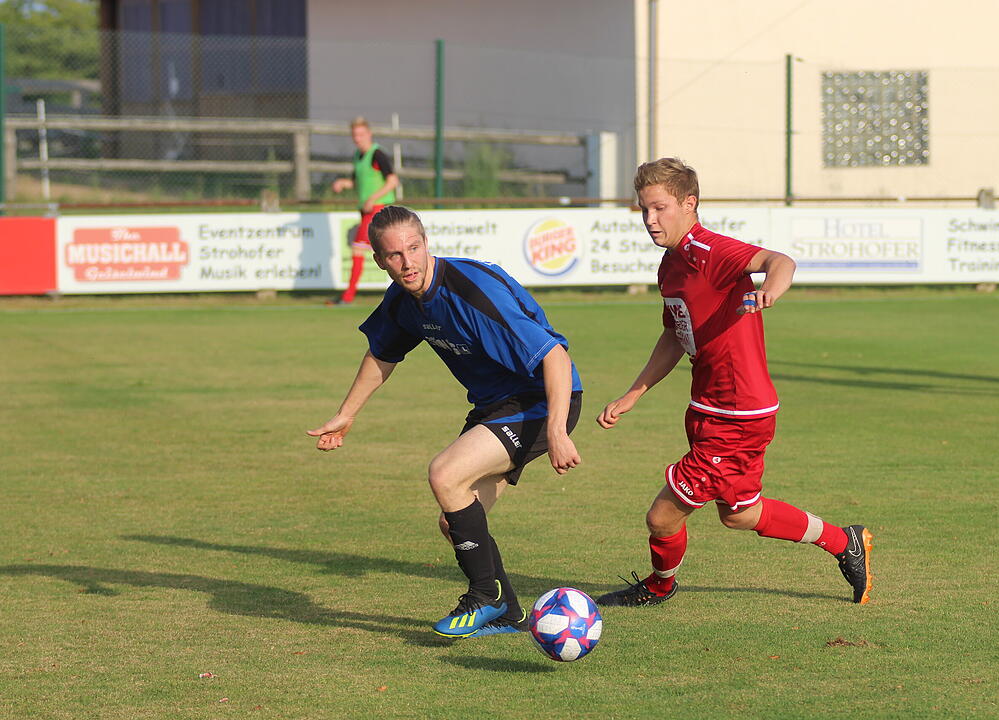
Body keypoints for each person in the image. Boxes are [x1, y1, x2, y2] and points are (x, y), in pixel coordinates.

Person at [594, 158, 873, 608]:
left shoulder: (711, 251)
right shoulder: (671, 266)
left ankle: (660, 587)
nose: (650, 220)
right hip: (709, 407)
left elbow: (779, 261)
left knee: (662, 516)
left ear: (690, 204)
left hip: (738, 414)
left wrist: (771, 290)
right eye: (644, 210)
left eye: (660, 208)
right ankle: (845, 541)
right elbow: (674, 334)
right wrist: (634, 393)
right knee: (741, 514)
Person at [307, 205, 583, 637]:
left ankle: (483, 596)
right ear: (379, 260)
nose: (407, 262)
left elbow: (556, 356)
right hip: (497, 406)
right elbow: (383, 354)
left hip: (543, 400)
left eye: (413, 249)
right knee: (454, 521)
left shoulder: (471, 290)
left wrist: (556, 430)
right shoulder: (404, 298)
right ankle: (509, 613)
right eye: (394, 255)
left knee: (445, 474)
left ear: (426, 242)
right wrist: (346, 415)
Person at [329, 116, 400, 305]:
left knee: (358, 248)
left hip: (378, 209)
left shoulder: (377, 154)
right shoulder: (358, 156)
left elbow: (393, 181)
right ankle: (404, 291)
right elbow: (357, 181)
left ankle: (347, 296)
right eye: (354, 134)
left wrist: (373, 198)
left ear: (369, 134)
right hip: (366, 210)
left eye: (361, 134)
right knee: (388, 251)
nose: (357, 138)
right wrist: (344, 183)